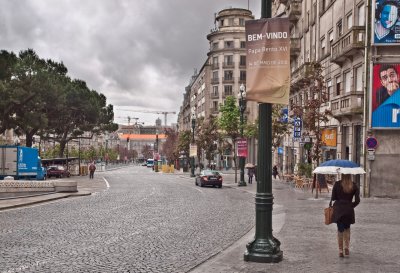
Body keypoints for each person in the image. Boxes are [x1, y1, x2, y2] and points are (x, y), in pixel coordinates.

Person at [329, 174, 360, 258]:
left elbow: (333, 198)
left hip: (339, 210)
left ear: (342, 175)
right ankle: (346, 247)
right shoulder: (354, 185)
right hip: (348, 210)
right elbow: (357, 201)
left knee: (340, 229)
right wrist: (350, 206)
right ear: (350, 176)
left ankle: (340, 250)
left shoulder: (337, 184)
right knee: (347, 228)